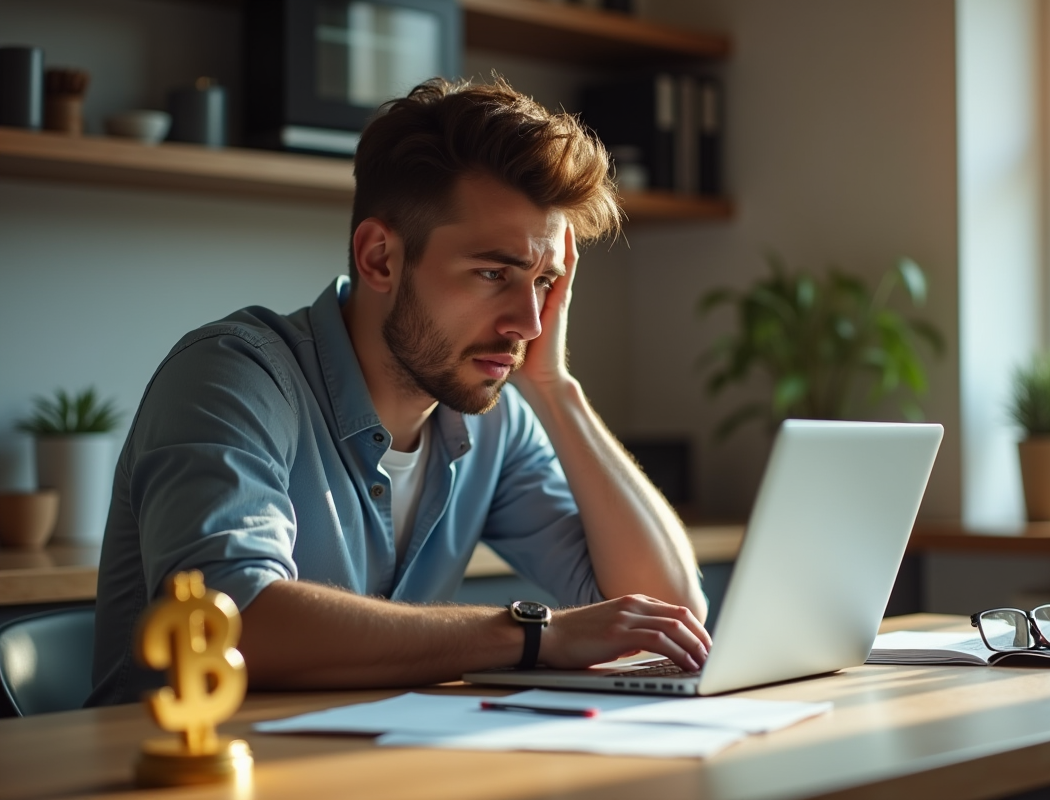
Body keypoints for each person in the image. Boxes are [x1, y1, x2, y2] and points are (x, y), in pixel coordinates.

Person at [88, 78, 709, 706]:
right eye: (493, 273)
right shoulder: (232, 377)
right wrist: (530, 634)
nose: (530, 322)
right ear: (380, 257)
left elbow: (668, 620)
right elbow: (230, 623)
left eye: (544, 281)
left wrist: (556, 387)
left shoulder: (495, 421)